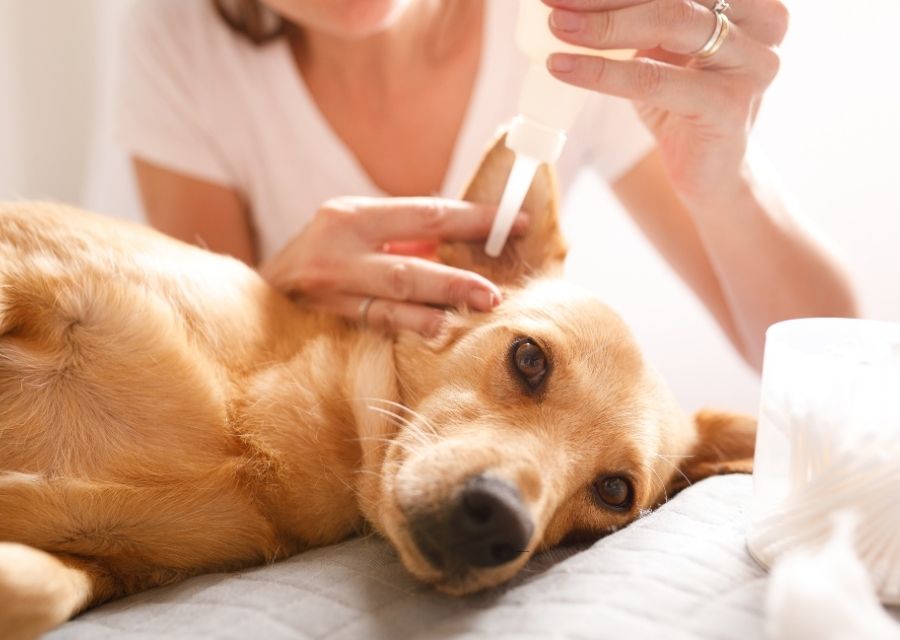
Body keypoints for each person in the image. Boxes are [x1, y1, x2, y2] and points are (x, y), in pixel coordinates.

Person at [116, 0, 857, 370]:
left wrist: (723, 183)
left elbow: (833, 362)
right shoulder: (180, 43)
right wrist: (277, 298)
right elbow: (198, 378)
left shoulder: (576, 25)